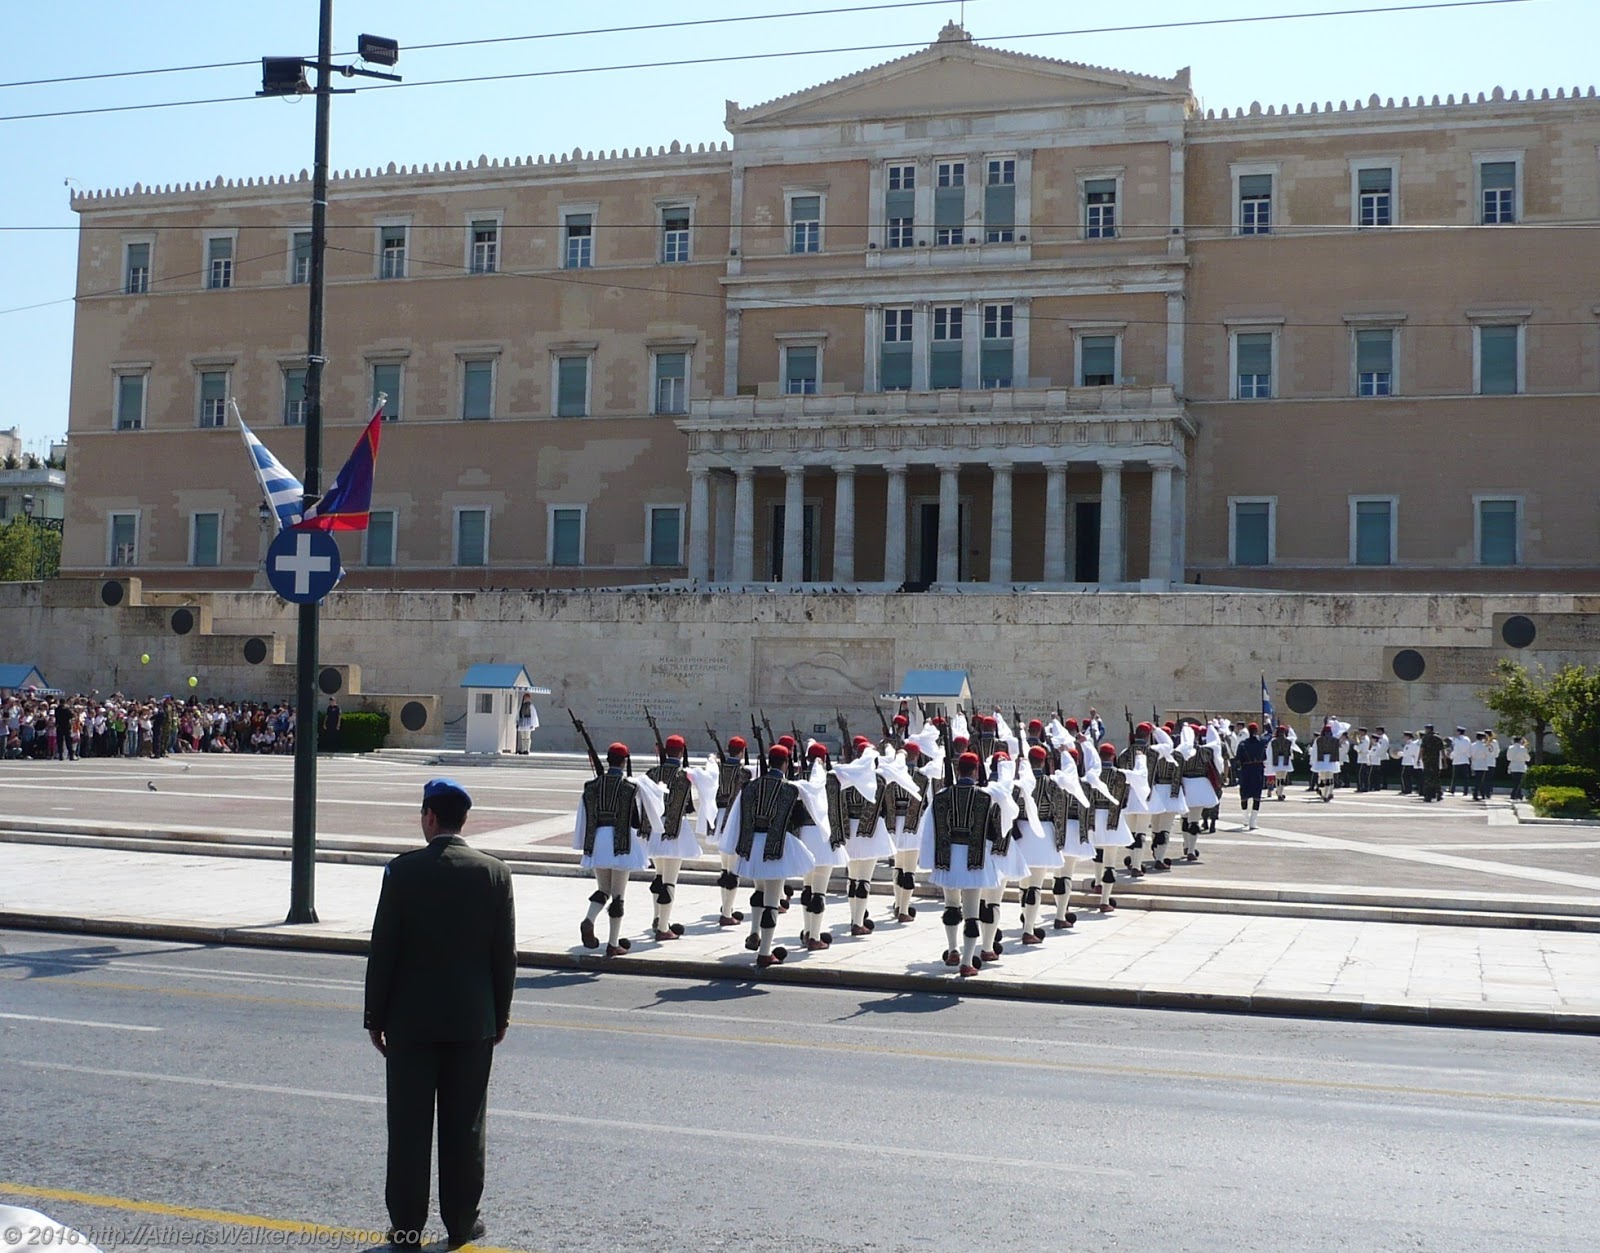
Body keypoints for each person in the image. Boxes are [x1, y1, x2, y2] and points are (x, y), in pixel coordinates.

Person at [364, 778, 516, 1251]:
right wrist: (501, 1016)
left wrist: (375, 1016)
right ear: (462, 819)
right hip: (472, 1022)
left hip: (410, 1023)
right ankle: (461, 1223)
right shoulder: (494, 872)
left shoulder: (403, 872)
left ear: (430, 816)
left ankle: (407, 1227)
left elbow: (384, 948)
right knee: (465, 1125)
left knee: (409, 1128)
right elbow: (503, 955)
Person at [573, 743, 648, 957]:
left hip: (597, 841)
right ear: (624, 761)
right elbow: (637, 819)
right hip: (620, 843)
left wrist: (584, 844)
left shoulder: (591, 786)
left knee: (603, 889)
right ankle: (613, 943)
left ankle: (589, 920)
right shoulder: (630, 787)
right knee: (618, 895)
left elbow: (583, 817)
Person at [1234, 722, 1267, 829]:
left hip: (1246, 770)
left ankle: (1245, 819)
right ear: (1257, 731)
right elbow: (1265, 756)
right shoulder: (1261, 743)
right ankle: (1253, 822)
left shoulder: (1243, 744)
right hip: (1258, 770)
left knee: (1244, 795)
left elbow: (1238, 759)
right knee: (1257, 795)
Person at [1418, 724, 1446, 802]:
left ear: (1428, 729)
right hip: (1435, 761)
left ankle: (1428, 796)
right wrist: (1445, 761)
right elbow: (1442, 751)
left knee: (1427, 778)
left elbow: (1422, 749)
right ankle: (1439, 794)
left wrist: (1418, 758)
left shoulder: (1425, 738)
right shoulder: (1438, 738)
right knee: (1436, 778)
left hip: (1427, 761)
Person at [1506, 735, 1530, 800]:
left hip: (1513, 766)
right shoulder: (1523, 748)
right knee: (1519, 782)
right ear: (1520, 741)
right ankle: (1515, 794)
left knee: (1516, 781)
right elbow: (1528, 758)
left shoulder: (1510, 748)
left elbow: (1508, 758)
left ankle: (1518, 794)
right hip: (1521, 766)